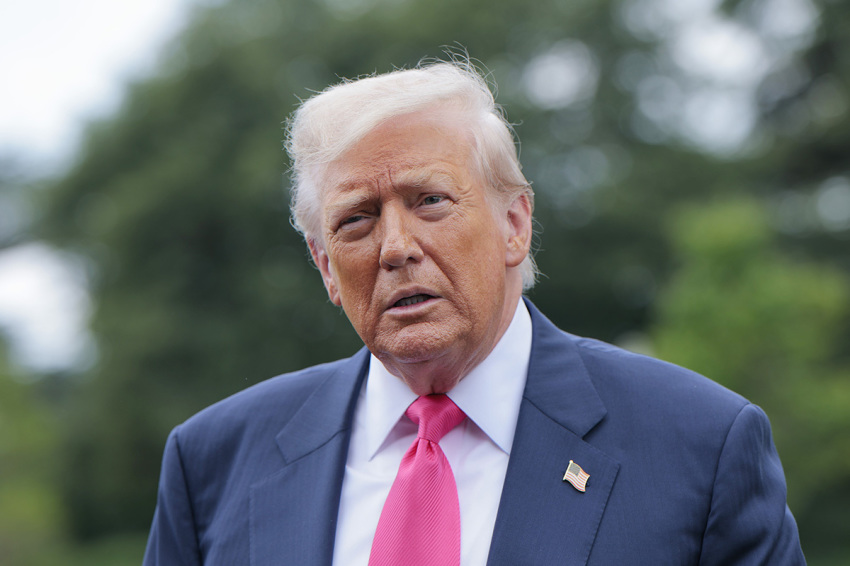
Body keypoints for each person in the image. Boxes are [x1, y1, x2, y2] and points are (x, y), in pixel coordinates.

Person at [143, 58, 805, 565]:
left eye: (429, 200)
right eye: (358, 220)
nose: (397, 248)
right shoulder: (214, 464)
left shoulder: (701, 446)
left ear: (514, 223)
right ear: (325, 268)